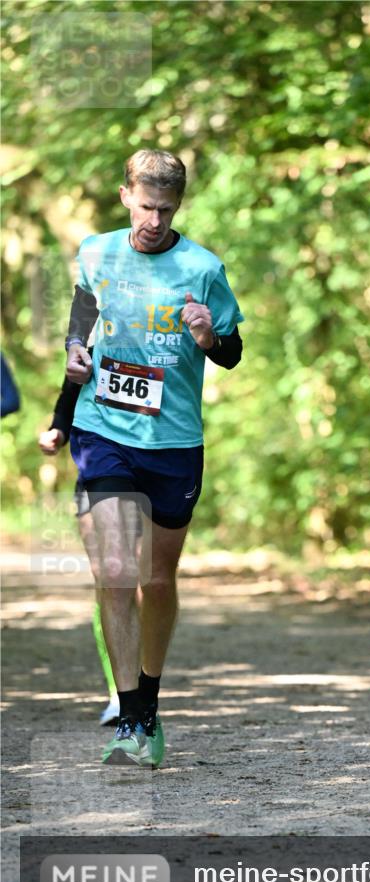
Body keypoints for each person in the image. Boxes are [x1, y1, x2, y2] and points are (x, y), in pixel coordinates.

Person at [65, 149, 244, 767]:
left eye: (166, 210)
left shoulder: (203, 268)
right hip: (102, 429)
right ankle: (128, 717)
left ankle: (150, 702)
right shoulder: (96, 252)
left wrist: (208, 337)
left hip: (172, 442)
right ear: (125, 196)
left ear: (178, 206)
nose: (154, 221)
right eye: (145, 206)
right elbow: (82, 316)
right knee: (116, 570)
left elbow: (231, 352)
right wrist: (74, 352)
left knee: (156, 579)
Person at [39, 366, 130, 727]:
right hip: (98, 470)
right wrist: (58, 431)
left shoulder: (164, 339)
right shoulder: (92, 339)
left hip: (153, 468)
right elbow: (69, 397)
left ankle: (143, 684)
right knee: (110, 579)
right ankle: (120, 693)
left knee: (141, 584)